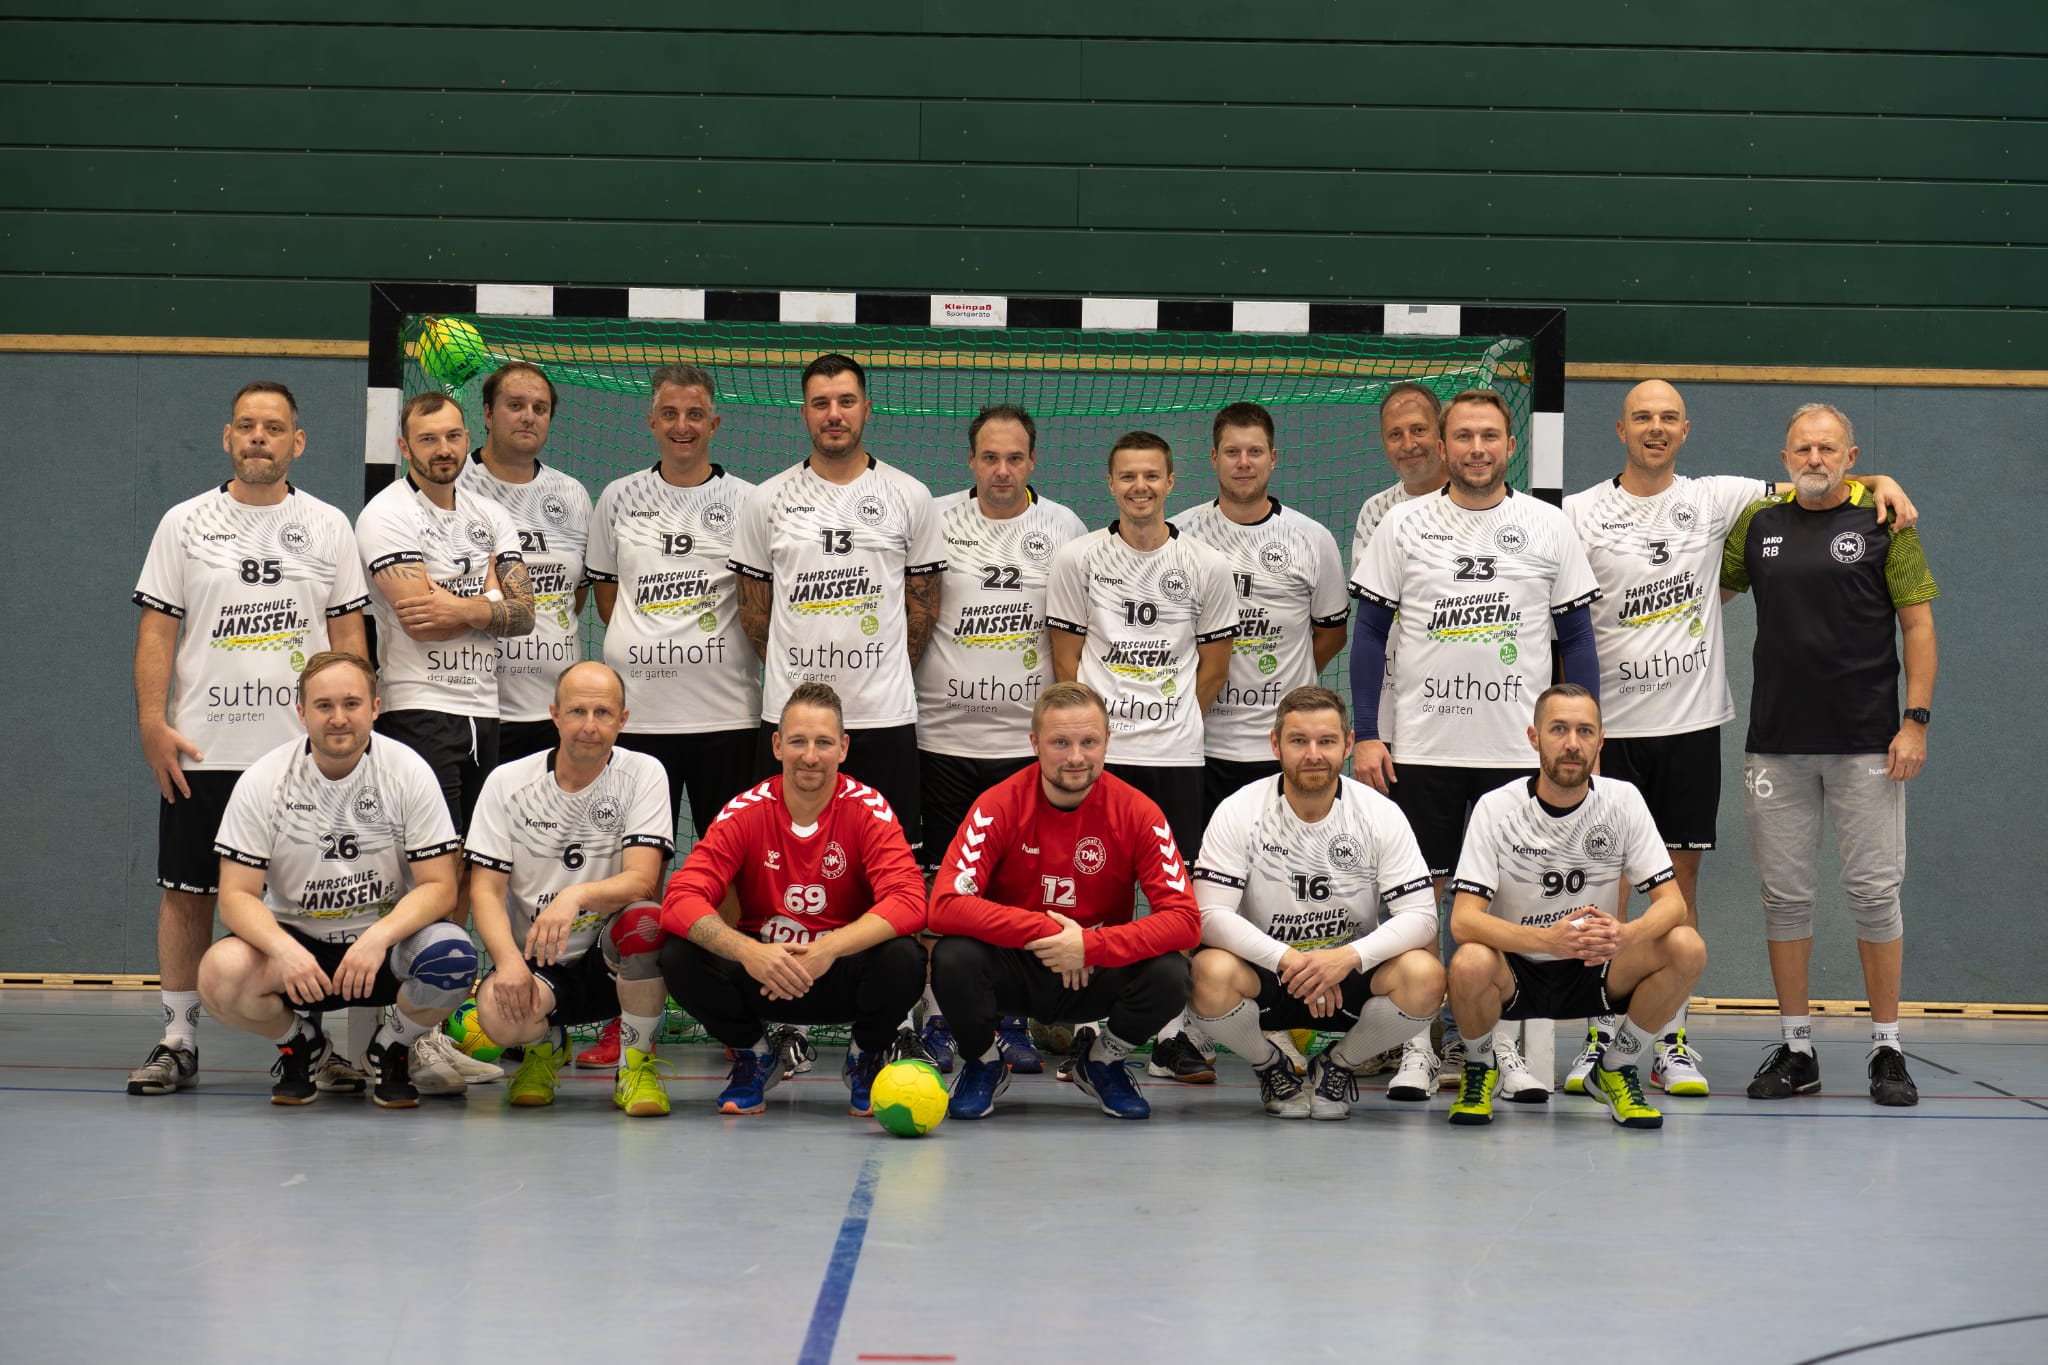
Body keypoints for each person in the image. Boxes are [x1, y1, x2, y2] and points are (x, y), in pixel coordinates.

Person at [1562, 381, 1918, 1098]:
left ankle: (1667, 1039)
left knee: (1677, 887)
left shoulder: (1720, 497)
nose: (1656, 427)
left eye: (1668, 417)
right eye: (1642, 417)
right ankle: (1601, 1033)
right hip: (1611, 731)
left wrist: (1883, 479)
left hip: (1691, 725)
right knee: (1607, 886)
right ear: (1621, 429)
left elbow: (1820, 481)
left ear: (1686, 429)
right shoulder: (1576, 512)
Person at [1349, 388, 1603, 1097]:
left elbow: (1577, 638)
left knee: (1512, 903)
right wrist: (1367, 734)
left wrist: (1583, 734)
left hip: (1516, 754)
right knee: (1419, 904)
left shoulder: (1546, 525)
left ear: (1510, 445)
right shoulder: (1403, 524)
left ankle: (1499, 1050)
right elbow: (1369, 633)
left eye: (1489, 435)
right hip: (1423, 748)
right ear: (1444, 445)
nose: (1477, 449)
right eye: (1463, 436)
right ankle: (1418, 1049)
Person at [128, 381, 370, 1097]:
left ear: (298, 441)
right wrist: (152, 723)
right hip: (204, 750)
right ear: (228, 437)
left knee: (308, 899)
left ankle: (312, 1042)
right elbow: (157, 631)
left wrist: (356, 733)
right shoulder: (184, 522)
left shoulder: (328, 525)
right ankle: (179, 1038)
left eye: (274, 426)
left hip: (303, 757)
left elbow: (349, 637)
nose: (259, 436)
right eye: (246, 425)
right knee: (188, 893)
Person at [1722, 403, 1938, 1107]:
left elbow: (1918, 626)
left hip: (1867, 742)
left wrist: (1915, 723)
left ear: (1851, 457)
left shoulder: (1886, 522)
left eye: (1827, 448)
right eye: (1802, 449)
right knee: (1785, 899)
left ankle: (1887, 1048)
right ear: (1785, 457)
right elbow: (1709, 593)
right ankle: (1797, 1048)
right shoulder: (1757, 524)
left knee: (1874, 894)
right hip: (1775, 745)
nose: (1814, 458)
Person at [1156, 401, 1348, 1085]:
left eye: (1255, 451)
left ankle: (1280, 1018)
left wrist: (1285, 699)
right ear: (1213, 459)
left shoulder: (1311, 539)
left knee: (1278, 891)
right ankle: (1181, 1032)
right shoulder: (1181, 533)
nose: (1244, 463)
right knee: (1189, 889)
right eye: (1231, 452)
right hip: (1198, 745)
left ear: (1273, 458)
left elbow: (1330, 630)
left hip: (1283, 755)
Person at [579, 363, 761, 1069]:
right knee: (638, 875)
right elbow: (608, 597)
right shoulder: (618, 497)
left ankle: (733, 1013)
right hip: (641, 721)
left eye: (695, 414)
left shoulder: (747, 501)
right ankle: (629, 1021)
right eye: (670, 413)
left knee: (732, 876)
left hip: (727, 716)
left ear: (715, 423)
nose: (682, 426)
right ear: (651, 421)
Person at [194, 652, 475, 1108]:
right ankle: (299, 1044)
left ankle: (392, 1048)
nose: (339, 718)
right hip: (299, 947)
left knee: (453, 957)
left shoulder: (407, 770)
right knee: (218, 975)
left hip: (384, 949)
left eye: (351, 703)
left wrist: (377, 938)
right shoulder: (264, 780)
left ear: (375, 708)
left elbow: (441, 886)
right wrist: (284, 950)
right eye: (324, 705)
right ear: (301, 712)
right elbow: (236, 897)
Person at [927, 682, 1202, 1121]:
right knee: (952, 957)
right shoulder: (998, 804)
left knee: (1171, 973)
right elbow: (944, 904)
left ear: (1107, 741)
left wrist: (1092, 946)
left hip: (1094, 970)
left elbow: (1185, 920)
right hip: (1017, 966)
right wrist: (1048, 932)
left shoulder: (1138, 811)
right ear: (1034, 743)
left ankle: (1103, 1061)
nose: (1076, 757)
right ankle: (984, 1062)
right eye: (1060, 743)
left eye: (1088, 742)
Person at [657, 683, 929, 1117]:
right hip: (766, 973)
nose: (810, 756)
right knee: (678, 955)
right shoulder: (744, 811)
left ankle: (865, 1056)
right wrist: (748, 952)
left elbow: (911, 900)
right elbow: (679, 899)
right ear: (777, 745)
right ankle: (754, 1054)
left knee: (905, 958)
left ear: (843, 748)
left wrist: (829, 947)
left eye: (824, 742)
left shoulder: (869, 809)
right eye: (798, 741)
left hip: (841, 971)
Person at [1442, 684, 1707, 1129]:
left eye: (1585, 731)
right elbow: (1464, 921)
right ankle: (1481, 1067)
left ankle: (1615, 1067)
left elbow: (1672, 904)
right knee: (1469, 962)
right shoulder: (1497, 807)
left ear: (1600, 741)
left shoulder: (1622, 800)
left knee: (1687, 946)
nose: (1572, 743)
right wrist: (1546, 940)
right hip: (1518, 970)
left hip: (1596, 965)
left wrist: (1625, 935)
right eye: (1558, 729)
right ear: (1534, 738)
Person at [912, 403, 1086, 1073]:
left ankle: (1009, 1017)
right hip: (943, 739)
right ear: (971, 461)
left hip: (1023, 747)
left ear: (1034, 461)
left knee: (1017, 890)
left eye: (1015, 458)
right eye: (990, 457)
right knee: (943, 887)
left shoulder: (1064, 528)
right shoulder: (935, 519)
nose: (1003, 470)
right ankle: (939, 1018)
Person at [1188, 686, 1443, 1119]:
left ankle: (1338, 1065)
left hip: (1348, 975)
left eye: (1326, 741)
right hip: (1269, 973)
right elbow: (1209, 916)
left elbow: (1421, 917)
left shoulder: (1379, 813)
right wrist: (1287, 959)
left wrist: (1346, 957)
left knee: (1426, 976)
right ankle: (1270, 1066)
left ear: (1348, 744)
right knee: (1206, 973)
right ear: (1275, 744)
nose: (1313, 754)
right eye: (1298, 741)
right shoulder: (1238, 810)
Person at [730, 353, 945, 856]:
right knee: (781, 860)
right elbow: (754, 613)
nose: (834, 414)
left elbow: (924, 609)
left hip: (883, 717)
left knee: (892, 865)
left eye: (846, 402)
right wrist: (798, 676)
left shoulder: (910, 495)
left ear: (866, 409)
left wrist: (879, 673)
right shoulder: (768, 499)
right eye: (820, 403)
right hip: (792, 720)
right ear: (803, 413)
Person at [467, 662, 675, 1115]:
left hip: (610, 958)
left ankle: (635, 1066)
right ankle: (545, 1047)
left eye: (603, 713)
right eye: (578, 711)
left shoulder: (644, 772)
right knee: (497, 1018)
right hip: (538, 960)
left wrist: (574, 896)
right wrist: (508, 963)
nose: (589, 726)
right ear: (555, 714)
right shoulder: (507, 783)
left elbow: (642, 879)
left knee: (647, 922)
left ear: (622, 719)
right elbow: (485, 891)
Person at [1045, 430, 1236, 861]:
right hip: (1101, 755)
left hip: (1176, 755)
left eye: (1151, 475)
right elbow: (1065, 659)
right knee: (1092, 872)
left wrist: (1176, 718)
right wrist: (1090, 732)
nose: (1140, 486)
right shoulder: (1077, 558)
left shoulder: (1208, 564)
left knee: (1175, 880)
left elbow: (1216, 669)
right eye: (1128, 476)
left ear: (1170, 481)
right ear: (1111, 483)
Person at [355, 391, 534, 836]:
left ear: (468, 438)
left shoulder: (490, 514)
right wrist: (491, 599)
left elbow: (525, 615)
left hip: (485, 709)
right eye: (428, 438)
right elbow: (422, 624)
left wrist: (455, 604)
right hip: (418, 707)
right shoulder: (387, 514)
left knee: (477, 855)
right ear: (404, 447)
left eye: (453, 436)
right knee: (432, 852)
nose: (444, 449)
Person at [458, 361, 593, 765]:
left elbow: (575, 596)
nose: (528, 416)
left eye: (540, 408)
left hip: (555, 712)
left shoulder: (572, 494)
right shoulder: (456, 486)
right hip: (477, 707)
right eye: (515, 405)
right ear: (487, 414)